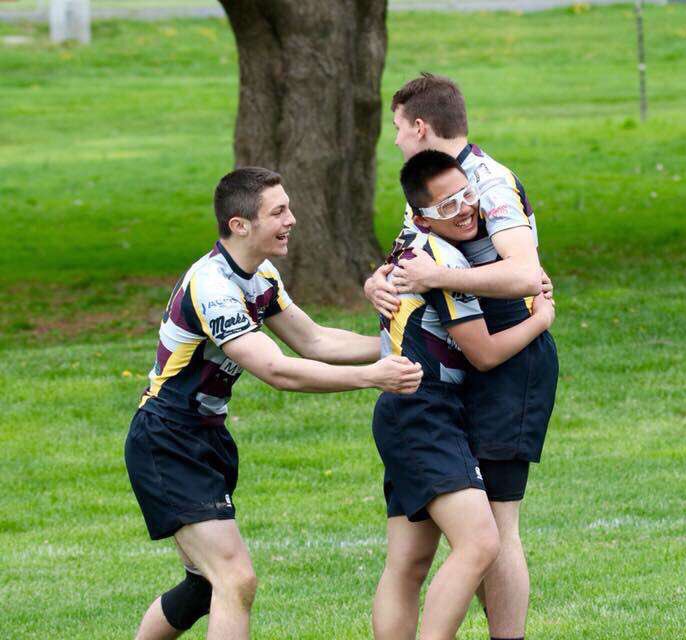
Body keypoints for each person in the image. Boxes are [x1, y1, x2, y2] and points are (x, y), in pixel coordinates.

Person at [125, 166, 423, 640]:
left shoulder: (260, 274)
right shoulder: (213, 287)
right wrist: (372, 377)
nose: (292, 220)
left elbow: (315, 340)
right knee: (234, 580)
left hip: (206, 437)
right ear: (240, 225)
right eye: (278, 212)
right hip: (167, 439)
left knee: (204, 588)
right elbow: (277, 370)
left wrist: (399, 343)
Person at [365, 74, 559, 640]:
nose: (396, 140)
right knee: (463, 533)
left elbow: (525, 274)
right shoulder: (432, 187)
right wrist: (376, 281)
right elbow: (412, 258)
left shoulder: (487, 182)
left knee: (495, 521)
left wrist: (440, 278)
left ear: (420, 127)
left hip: (508, 359)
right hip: (457, 363)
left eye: (398, 129)